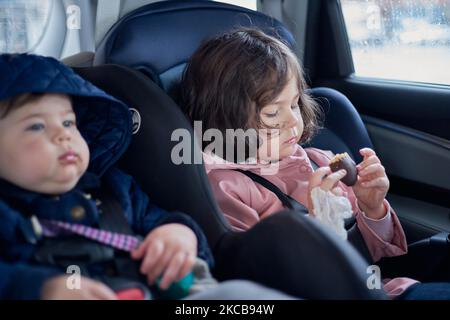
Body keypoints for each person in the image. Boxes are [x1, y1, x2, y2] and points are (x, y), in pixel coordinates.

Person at [180, 28, 450, 300]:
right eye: (273, 112)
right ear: (225, 118)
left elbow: (374, 257)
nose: (293, 122)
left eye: (295, 104)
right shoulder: (226, 187)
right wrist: (317, 225)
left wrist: (372, 208)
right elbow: (252, 286)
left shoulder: (319, 160)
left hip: (385, 288)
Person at [0, 53, 294, 300]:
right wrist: (44, 288)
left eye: (68, 122)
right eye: (36, 127)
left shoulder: (115, 189)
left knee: (242, 297)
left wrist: (179, 234)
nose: (63, 135)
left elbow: (163, 220)